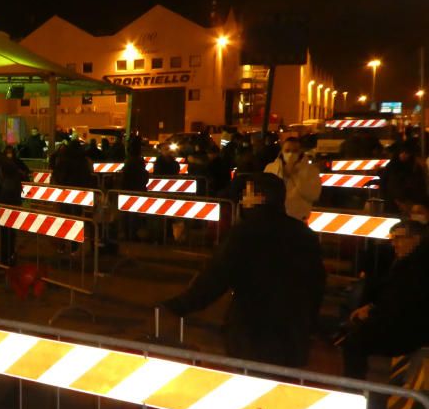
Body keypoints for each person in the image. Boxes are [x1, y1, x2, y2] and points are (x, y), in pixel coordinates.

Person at [162, 173, 325, 369]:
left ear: (260, 197)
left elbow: (216, 277)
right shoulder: (304, 234)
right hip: (294, 327)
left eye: (247, 194)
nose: (242, 199)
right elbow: (317, 283)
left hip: (253, 327)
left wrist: (181, 305)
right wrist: (310, 322)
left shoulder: (244, 233)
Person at [342, 220, 429, 379]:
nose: (394, 244)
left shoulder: (417, 267)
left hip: (411, 329)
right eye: (392, 239)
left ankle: (354, 388)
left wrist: (373, 313)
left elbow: (403, 304)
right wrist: (372, 308)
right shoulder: (408, 261)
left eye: (399, 239)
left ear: (415, 239)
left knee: (354, 341)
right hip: (404, 321)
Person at [263, 137, 322, 221]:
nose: (290, 154)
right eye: (287, 151)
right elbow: (265, 193)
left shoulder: (311, 170)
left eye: (294, 151)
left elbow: (314, 195)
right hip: (275, 218)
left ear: (300, 152)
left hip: (298, 219)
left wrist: (295, 176)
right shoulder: (271, 168)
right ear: (282, 151)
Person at [0, 145, 26, 265]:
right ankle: (9, 255)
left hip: (2, 201)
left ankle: (4, 257)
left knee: (2, 231)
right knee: (10, 231)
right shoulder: (10, 165)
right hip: (13, 201)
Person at [381, 141, 428, 213]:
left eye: (406, 153)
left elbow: (419, 185)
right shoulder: (392, 165)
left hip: (409, 203)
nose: (403, 155)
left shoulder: (414, 167)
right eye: (401, 152)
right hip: (393, 202)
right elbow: (386, 183)